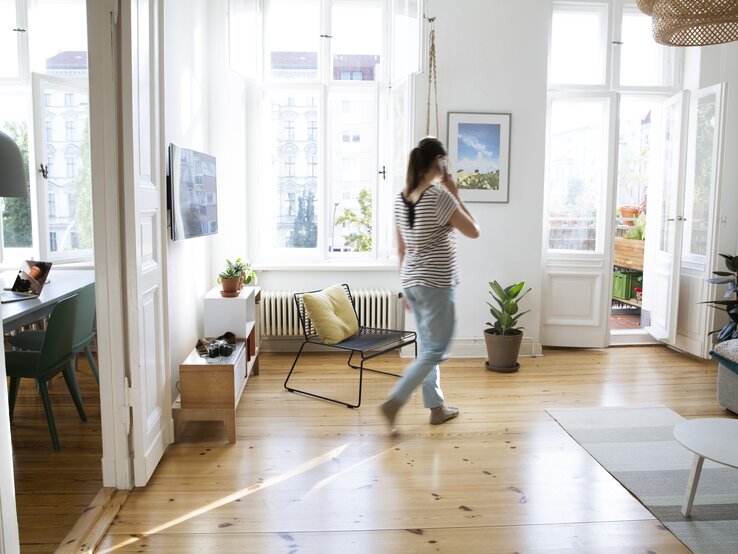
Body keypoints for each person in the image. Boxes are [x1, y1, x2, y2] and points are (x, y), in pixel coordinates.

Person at [380, 137, 480, 434]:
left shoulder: (402, 198)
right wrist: (456, 193)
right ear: (438, 161)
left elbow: (401, 249)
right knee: (435, 350)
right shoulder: (440, 196)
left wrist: (406, 286)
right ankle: (394, 402)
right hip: (436, 283)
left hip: (413, 281)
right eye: (445, 161)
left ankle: (436, 409)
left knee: (426, 347)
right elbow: (474, 231)